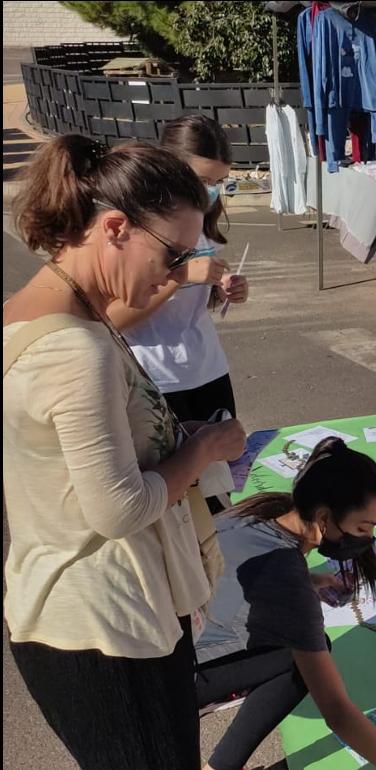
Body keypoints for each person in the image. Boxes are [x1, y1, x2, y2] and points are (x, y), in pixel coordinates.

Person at [4, 135, 247, 769]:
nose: (176, 275)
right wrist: (204, 450)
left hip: (76, 615)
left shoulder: (37, 316)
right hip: (104, 626)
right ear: (115, 228)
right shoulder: (74, 348)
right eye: (172, 256)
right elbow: (116, 509)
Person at [195, 437, 376, 770]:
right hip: (172, 675)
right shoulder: (286, 582)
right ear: (324, 517)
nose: (367, 540)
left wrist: (311, 580)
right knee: (301, 659)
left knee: (299, 651)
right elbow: (337, 711)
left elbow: (237, 571)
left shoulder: (262, 510)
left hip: (173, 640)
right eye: (363, 528)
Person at [107, 114, 249, 423]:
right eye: (202, 180)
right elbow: (112, 317)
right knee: (181, 467)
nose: (210, 192)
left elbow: (192, 302)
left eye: (218, 182)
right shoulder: (137, 228)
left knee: (224, 464)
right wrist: (181, 277)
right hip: (154, 376)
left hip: (207, 368)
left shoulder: (203, 221)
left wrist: (223, 288)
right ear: (169, 168)